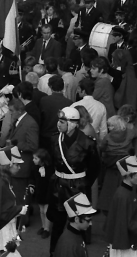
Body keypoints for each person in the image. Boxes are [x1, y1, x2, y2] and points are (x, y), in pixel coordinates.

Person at [48, 106, 100, 254]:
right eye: (59, 120)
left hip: (78, 188)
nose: (59, 124)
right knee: (58, 224)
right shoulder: (54, 139)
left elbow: (95, 168)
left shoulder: (88, 143)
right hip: (59, 187)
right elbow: (52, 163)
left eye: (62, 121)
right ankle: (54, 252)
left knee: (80, 225)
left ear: (72, 123)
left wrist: (83, 183)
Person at [54, 193, 96, 257]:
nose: (90, 224)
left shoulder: (75, 233)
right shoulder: (68, 245)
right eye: (88, 221)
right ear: (76, 219)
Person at [32, 148, 53, 239]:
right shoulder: (35, 168)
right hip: (40, 192)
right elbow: (33, 178)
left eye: (36, 158)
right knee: (41, 210)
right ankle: (43, 226)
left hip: (47, 192)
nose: (33, 160)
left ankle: (47, 229)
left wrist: (44, 175)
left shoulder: (50, 169)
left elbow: (50, 181)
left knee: (46, 211)